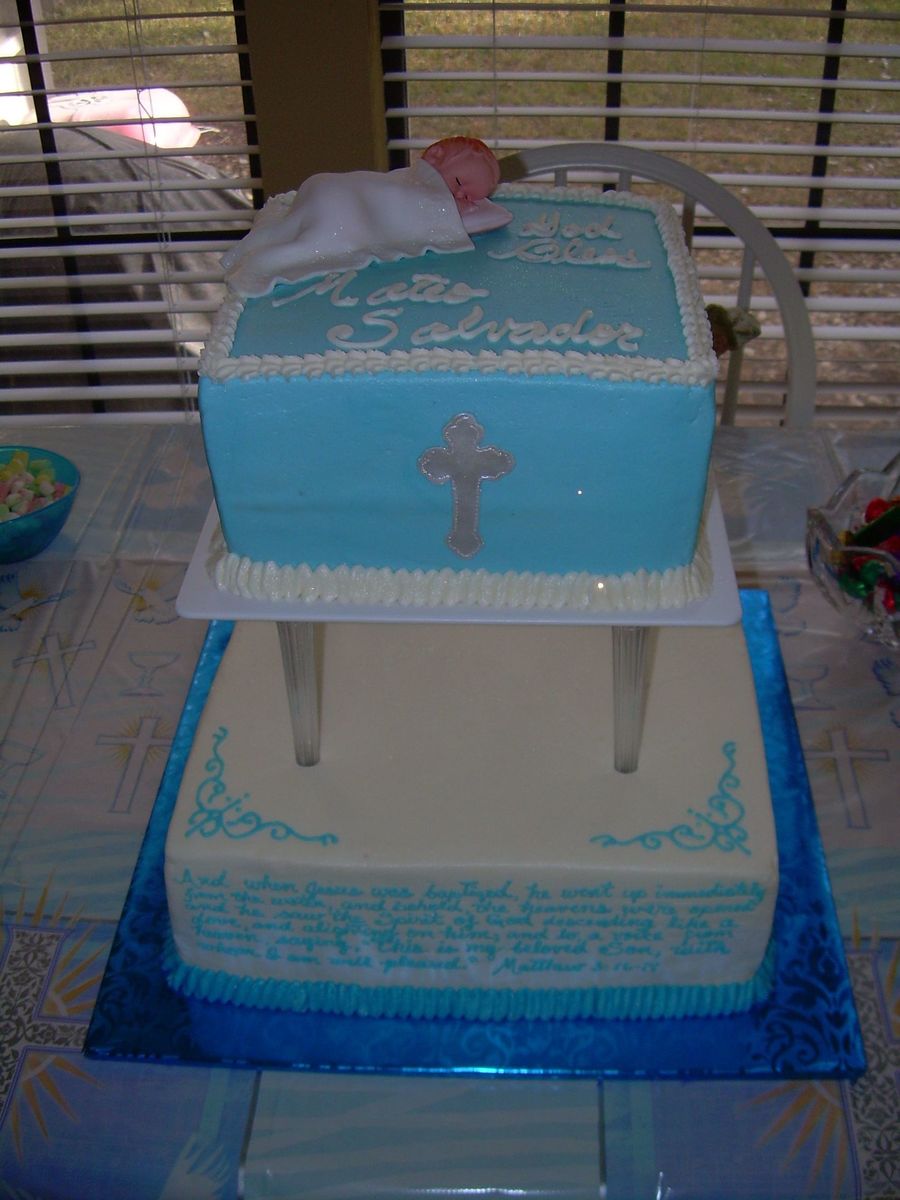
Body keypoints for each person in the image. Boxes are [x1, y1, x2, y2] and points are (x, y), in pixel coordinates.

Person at [221, 137, 511, 299]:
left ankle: (244, 252)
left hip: (325, 185)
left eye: (470, 198)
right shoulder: (422, 187)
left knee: (288, 227)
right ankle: (258, 267)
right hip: (343, 208)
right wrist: (460, 213)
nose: (460, 197)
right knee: (315, 246)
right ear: (435, 155)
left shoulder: (406, 177)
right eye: (459, 184)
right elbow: (420, 214)